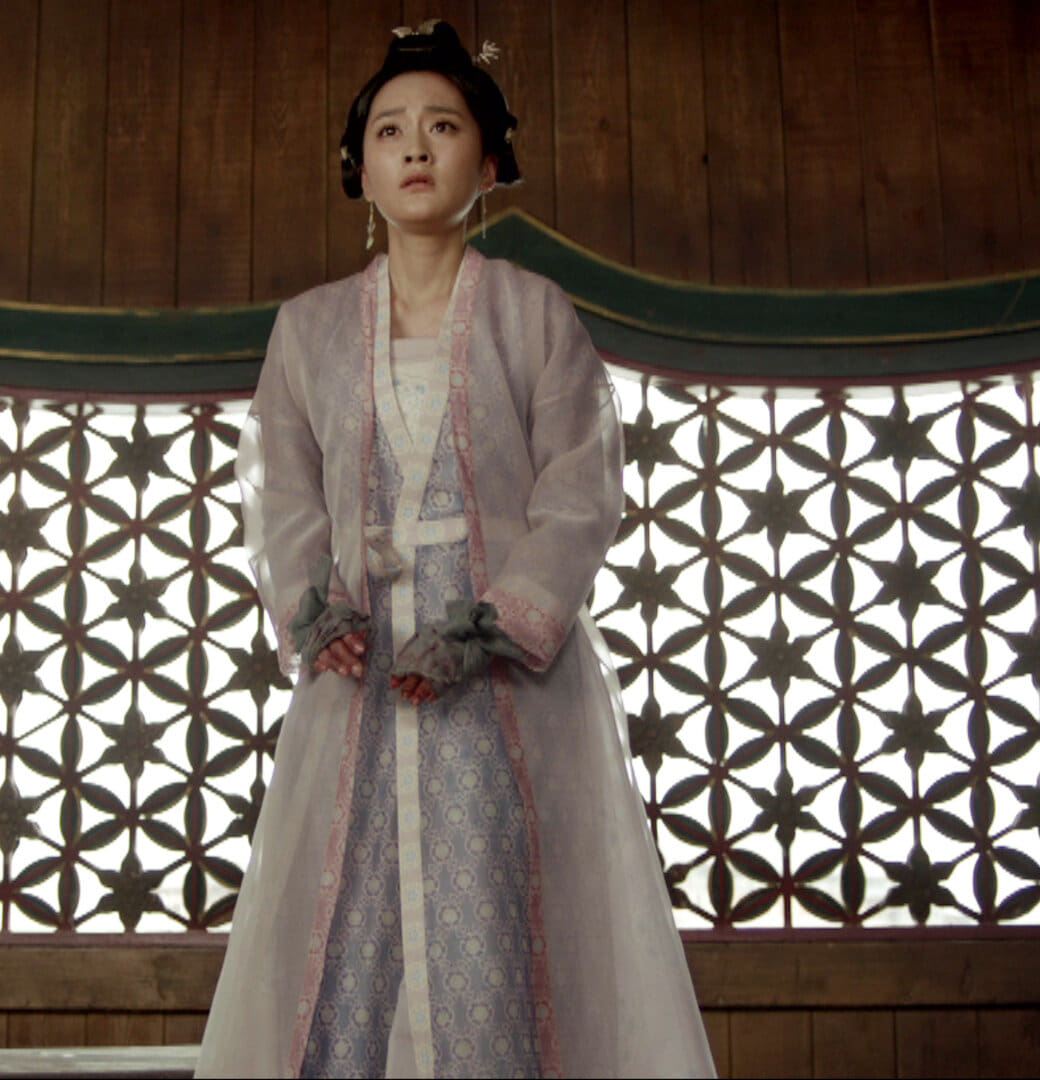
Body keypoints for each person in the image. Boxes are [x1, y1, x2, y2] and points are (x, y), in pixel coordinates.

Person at [196, 21, 715, 1079]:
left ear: (487, 164)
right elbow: (281, 487)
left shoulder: (534, 315)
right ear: (360, 169)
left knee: (496, 917)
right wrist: (314, 608)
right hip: (362, 675)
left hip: (502, 684)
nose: (416, 148)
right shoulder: (309, 329)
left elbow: (581, 488)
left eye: (443, 126)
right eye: (390, 131)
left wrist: (496, 621)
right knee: (347, 924)